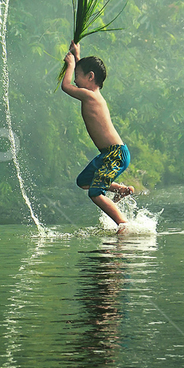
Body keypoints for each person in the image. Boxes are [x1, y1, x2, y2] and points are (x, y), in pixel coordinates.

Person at [61, 40, 134, 233]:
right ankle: (120, 189)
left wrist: (70, 64)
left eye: (77, 75)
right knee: (83, 181)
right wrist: (77, 55)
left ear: (90, 77)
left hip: (115, 154)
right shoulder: (92, 93)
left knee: (95, 192)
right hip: (108, 154)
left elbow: (66, 86)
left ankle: (124, 224)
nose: (75, 79)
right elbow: (80, 76)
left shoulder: (91, 96)